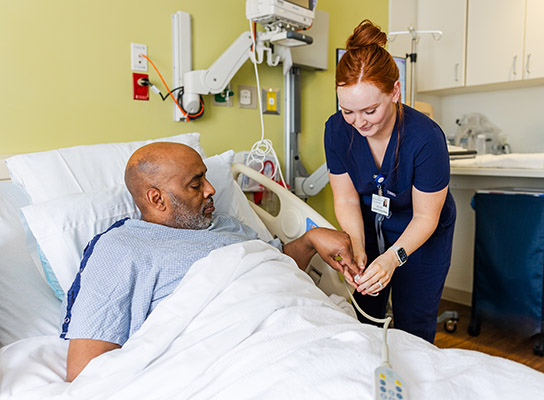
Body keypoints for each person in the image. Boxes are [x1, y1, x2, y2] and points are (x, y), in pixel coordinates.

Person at [61, 142, 359, 382]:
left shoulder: (225, 224)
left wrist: (310, 239)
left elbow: (273, 268)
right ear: (156, 199)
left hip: (305, 326)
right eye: (195, 184)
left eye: (205, 176)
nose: (211, 189)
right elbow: (86, 370)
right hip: (231, 357)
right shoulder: (121, 248)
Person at [324, 20, 456, 343]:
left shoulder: (425, 139)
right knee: (364, 316)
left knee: (413, 326)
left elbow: (426, 216)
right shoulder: (337, 131)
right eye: (348, 111)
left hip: (422, 233)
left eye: (369, 110)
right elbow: (346, 199)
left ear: (395, 91)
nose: (359, 122)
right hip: (369, 225)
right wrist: (357, 246)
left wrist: (393, 258)